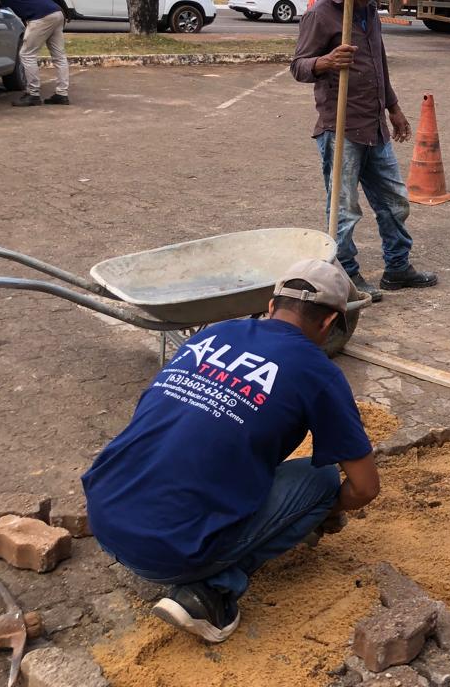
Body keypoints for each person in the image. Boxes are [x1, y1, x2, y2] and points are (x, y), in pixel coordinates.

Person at [82, 259, 379, 644]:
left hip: (104, 515)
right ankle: (210, 592)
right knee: (320, 476)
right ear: (328, 323)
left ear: (271, 306)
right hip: (166, 554)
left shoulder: (214, 334)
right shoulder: (318, 372)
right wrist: (319, 513)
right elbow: (365, 487)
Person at [290, 0, 438, 299]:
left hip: (374, 125)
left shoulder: (369, 11)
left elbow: (378, 61)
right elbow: (298, 66)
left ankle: (397, 267)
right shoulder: (320, 15)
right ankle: (346, 275)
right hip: (340, 128)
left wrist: (394, 107)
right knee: (343, 211)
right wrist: (325, 62)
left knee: (395, 201)